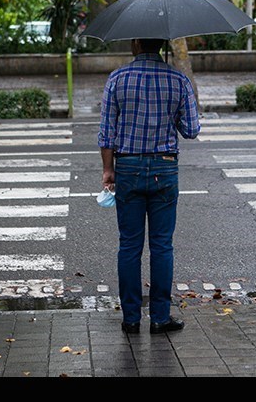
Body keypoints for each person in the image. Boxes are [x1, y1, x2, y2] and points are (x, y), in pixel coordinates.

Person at [98, 38, 200, 334]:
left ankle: (131, 318)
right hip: (164, 167)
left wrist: (108, 170)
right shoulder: (177, 79)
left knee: (129, 245)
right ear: (162, 43)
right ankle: (159, 317)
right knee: (161, 245)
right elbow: (191, 130)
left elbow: (107, 133)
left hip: (127, 167)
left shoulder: (117, 79)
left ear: (135, 43)